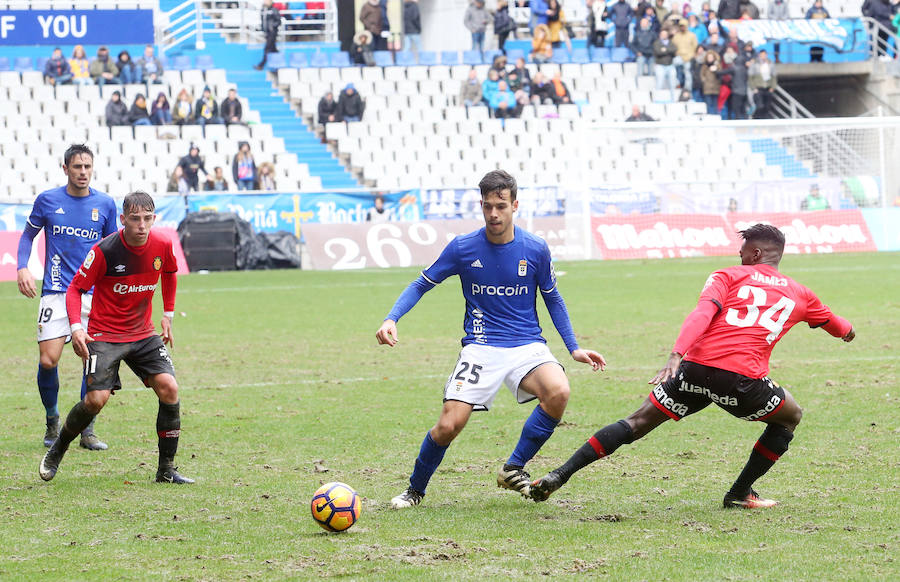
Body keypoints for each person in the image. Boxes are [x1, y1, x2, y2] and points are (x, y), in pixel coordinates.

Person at [530, 224, 856, 509]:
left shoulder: (725, 275)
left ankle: (560, 474)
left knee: (637, 421)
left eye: (743, 252)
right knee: (791, 415)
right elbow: (841, 327)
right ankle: (740, 493)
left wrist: (676, 355)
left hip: (694, 370)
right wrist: (848, 332)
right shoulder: (802, 294)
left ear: (756, 253)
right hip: (742, 382)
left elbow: (702, 313)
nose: (739, 257)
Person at [376, 170, 607, 509]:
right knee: (448, 425)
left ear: (515, 205)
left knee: (559, 391)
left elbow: (553, 298)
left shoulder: (536, 249)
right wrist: (391, 318)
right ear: (481, 206)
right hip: (481, 346)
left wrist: (573, 347)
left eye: (501, 206)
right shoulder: (463, 248)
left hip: (528, 344)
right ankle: (415, 490)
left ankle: (513, 468)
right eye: (487, 207)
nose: (494, 214)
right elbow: (421, 283)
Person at [40, 191, 193, 485]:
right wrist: (76, 328)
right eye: (134, 219)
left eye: (147, 219)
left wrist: (168, 314)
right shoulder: (104, 250)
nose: (141, 225)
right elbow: (74, 290)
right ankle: (59, 447)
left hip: (143, 333)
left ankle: (166, 469)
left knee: (169, 388)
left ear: (154, 219)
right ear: (122, 220)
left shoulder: (162, 244)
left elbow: (170, 273)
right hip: (104, 335)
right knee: (95, 400)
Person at [16, 144, 117, 451]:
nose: (83, 172)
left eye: (87, 167)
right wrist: (22, 267)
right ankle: (52, 419)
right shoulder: (48, 200)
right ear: (65, 169)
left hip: (92, 294)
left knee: (93, 362)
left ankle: (86, 429)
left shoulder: (106, 204)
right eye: (77, 167)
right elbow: (27, 236)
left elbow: (112, 248)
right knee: (49, 360)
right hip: (56, 291)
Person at [255, 0, 282, 70]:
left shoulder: (274, 10)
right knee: (273, 49)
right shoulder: (263, 10)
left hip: (272, 33)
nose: (266, 2)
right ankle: (278, 65)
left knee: (267, 49)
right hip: (267, 33)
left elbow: (278, 21)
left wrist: (272, 27)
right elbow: (263, 21)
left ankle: (261, 65)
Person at [749, 49, 776, 119]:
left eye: (764, 55)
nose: (763, 56)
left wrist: (772, 87)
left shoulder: (770, 63)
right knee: (760, 105)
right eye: (762, 55)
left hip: (767, 87)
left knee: (767, 106)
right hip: (758, 88)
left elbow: (774, 76)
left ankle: (765, 121)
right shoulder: (755, 63)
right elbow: (750, 77)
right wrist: (753, 88)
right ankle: (755, 118)